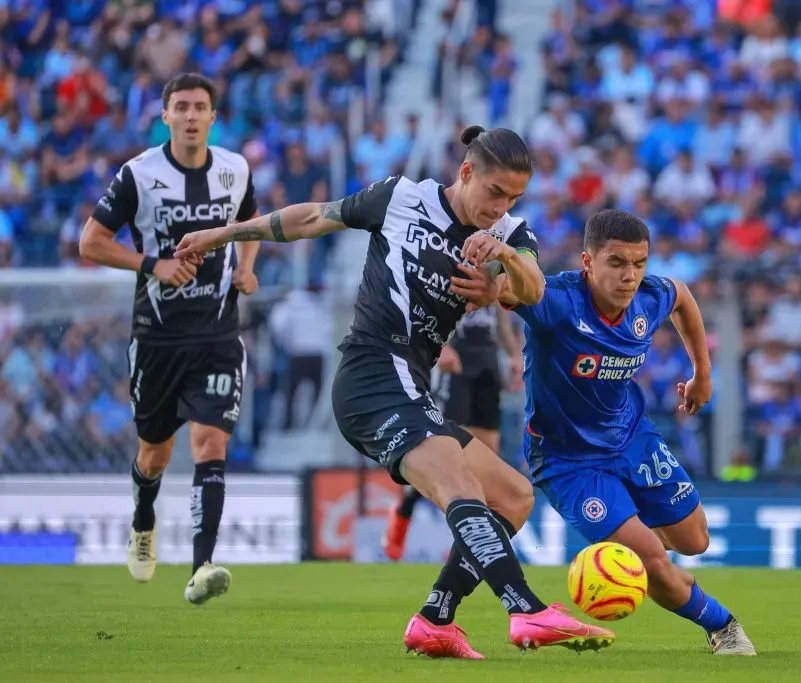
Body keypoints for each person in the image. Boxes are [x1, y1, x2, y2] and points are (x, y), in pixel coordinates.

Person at [174, 126, 615, 657]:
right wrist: (224, 235)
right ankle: (525, 609)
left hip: (411, 384)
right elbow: (314, 216)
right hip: (372, 373)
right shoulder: (403, 198)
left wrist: (501, 277)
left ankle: (436, 620)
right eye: (495, 192)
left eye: (514, 197)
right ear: (467, 172)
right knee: (461, 487)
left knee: (515, 498)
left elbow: (534, 287)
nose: (501, 206)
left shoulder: (511, 232)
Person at [503, 209, 757, 655]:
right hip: (567, 461)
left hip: (631, 437)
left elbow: (681, 296)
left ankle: (653, 559)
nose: (631, 276)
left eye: (639, 263)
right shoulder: (558, 301)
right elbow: (512, 290)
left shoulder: (647, 299)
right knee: (651, 560)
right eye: (617, 263)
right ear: (588, 262)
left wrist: (702, 372)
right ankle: (723, 626)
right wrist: (498, 268)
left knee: (694, 541)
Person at [79, 73, 258, 605]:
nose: (191, 115)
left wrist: (246, 268)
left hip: (218, 333)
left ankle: (202, 566)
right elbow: (92, 242)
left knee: (210, 442)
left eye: (200, 107)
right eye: (180, 107)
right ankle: (143, 518)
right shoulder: (138, 174)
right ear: (164, 115)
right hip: (157, 338)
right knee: (155, 454)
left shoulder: (235, 169)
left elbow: (252, 224)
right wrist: (151, 265)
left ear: (213, 116)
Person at [382, 303, 525, 561]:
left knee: (488, 456)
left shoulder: (495, 265)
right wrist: (442, 348)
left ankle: (468, 543)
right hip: (456, 363)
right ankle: (403, 511)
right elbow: (426, 309)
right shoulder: (450, 264)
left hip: (488, 365)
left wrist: (514, 354)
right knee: (441, 450)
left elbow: (500, 312)